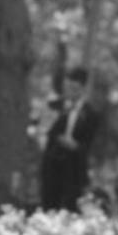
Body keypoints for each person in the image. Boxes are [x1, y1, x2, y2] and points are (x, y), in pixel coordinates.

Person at [40, 66, 100, 212]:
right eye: (68, 88)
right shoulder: (54, 107)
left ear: (83, 88)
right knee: (49, 207)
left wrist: (75, 146)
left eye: (75, 88)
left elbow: (92, 145)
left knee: (71, 208)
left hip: (74, 169)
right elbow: (45, 131)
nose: (70, 92)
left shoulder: (91, 113)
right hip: (52, 166)